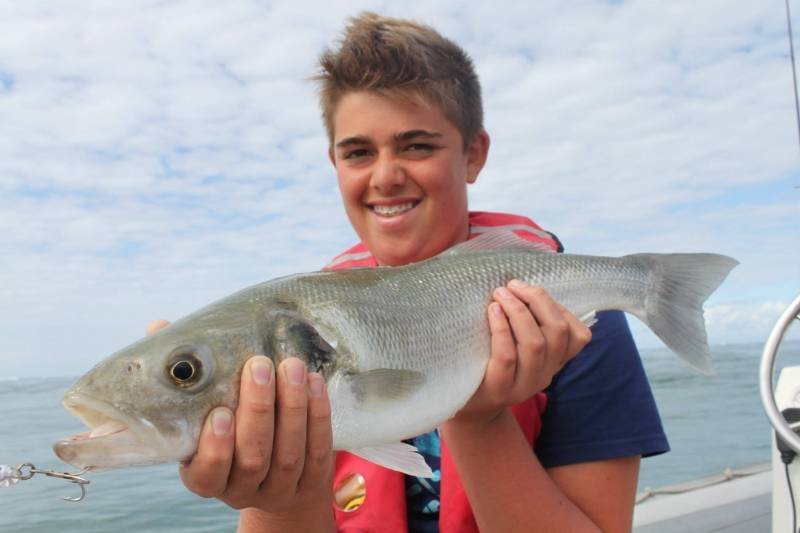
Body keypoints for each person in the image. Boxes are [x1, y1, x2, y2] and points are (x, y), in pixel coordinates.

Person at [153, 12, 668, 532]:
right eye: (358, 152)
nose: (386, 176)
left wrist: (479, 417)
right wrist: (278, 492)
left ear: (472, 154)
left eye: (416, 145)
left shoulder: (576, 318)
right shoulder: (304, 333)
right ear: (335, 164)